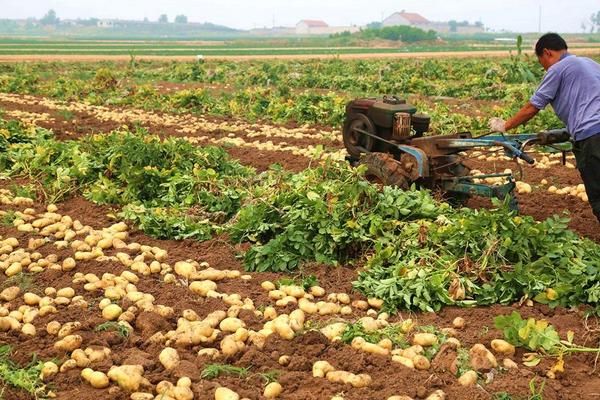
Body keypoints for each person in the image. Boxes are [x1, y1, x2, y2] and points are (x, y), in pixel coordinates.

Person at [489, 33, 600, 222]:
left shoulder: (557, 69)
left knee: (598, 195)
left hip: (591, 137)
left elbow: (533, 106)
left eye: (542, 63)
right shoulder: (591, 64)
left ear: (547, 53)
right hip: (590, 131)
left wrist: (505, 125)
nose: (544, 68)